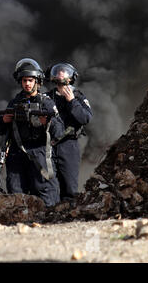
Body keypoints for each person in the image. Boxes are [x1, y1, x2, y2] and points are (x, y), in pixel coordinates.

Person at [0, 58, 63, 207]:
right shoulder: (14, 103)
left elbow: (59, 131)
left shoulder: (46, 103)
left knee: (46, 191)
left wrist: (47, 123)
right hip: (17, 154)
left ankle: (47, 222)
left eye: (30, 80)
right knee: (16, 191)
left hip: (40, 152)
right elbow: (2, 131)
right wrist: (4, 121)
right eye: (24, 80)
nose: (27, 84)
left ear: (37, 81)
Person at [46, 63, 92, 200]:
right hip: (49, 145)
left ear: (71, 77)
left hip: (69, 145)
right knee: (48, 185)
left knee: (69, 187)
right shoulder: (48, 97)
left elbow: (85, 118)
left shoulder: (78, 97)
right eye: (58, 72)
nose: (61, 75)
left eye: (64, 72)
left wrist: (71, 101)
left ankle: (68, 215)